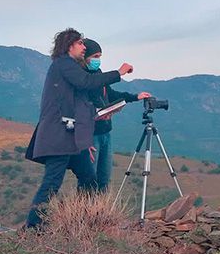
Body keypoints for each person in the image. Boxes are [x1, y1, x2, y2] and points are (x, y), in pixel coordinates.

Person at [25, 29, 132, 228]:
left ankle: (82, 221)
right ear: (69, 45)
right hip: (58, 137)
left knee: (89, 179)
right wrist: (118, 73)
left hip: (71, 138)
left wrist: (88, 135)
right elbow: (87, 82)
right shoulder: (64, 64)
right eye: (81, 43)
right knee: (52, 183)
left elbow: (80, 106)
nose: (84, 47)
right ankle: (32, 228)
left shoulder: (70, 69)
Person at [81, 38, 150, 192]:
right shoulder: (82, 78)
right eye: (95, 56)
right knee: (89, 178)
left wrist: (134, 97)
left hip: (105, 132)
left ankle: (100, 212)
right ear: (85, 57)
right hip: (90, 135)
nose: (98, 60)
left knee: (104, 178)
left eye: (100, 56)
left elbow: (110, 94)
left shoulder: (98, 75)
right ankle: (83, 213)